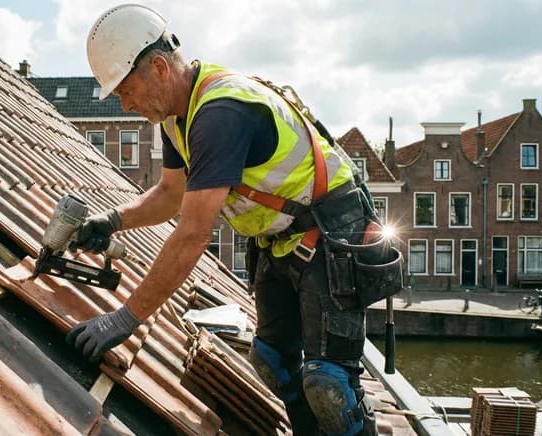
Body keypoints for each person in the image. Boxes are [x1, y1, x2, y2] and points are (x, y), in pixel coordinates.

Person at [66, 4, 389, 435]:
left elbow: (193, 233)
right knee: (272, 363)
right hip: (281, 239)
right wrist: (110, 221)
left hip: (332, 230)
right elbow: (169, 196)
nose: (125, 104)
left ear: (159, 68)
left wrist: (125, 319)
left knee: (329, 385)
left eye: (125, 91)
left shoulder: (220, 113)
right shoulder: (179, 117)